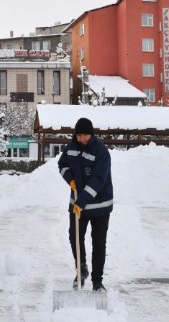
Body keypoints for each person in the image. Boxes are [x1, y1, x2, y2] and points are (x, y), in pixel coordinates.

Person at [57, 117, 113, 292]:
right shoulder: (71, 147)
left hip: (99, 205)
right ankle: (81, 270)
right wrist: (71, 181)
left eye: (85, 135)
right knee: (75, 237)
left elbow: (98, 180)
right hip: (77, 204)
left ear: (92, 134)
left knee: (98, 242)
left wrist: (81, 202)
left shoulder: (101, 152)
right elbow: (62, 164)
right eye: (79, 135)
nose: (82, 139)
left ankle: (97, 281)